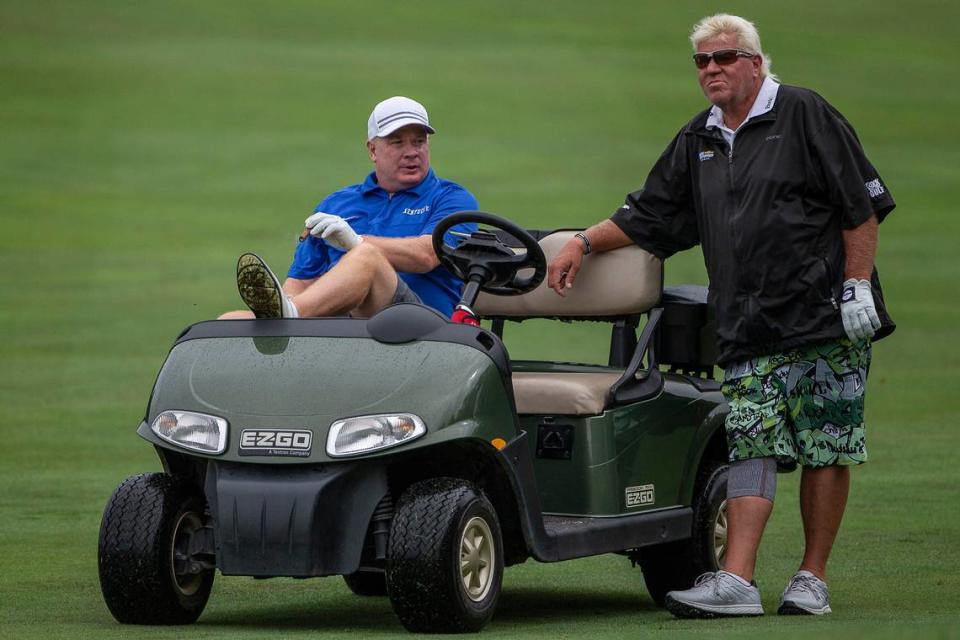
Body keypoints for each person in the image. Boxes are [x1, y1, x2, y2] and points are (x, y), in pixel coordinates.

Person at [547, 14, 895, 618]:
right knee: (750, 444)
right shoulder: (699, 138)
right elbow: (650, 213)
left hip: (824, 317)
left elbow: (860, 207)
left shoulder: (805, 113)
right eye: (703, 62)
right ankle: (737, 580)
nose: (712, 69)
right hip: (747, 323)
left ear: (755, 63)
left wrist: (857, 285)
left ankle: (812, 578)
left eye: (725, 58)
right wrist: (582, 239)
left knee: (827, 446)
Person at [221, 96, 477, 321]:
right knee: (230, 322)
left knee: (366, 257)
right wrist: (286, 303)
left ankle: (293, 317)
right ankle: (290, 319)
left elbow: (425, 256)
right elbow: (300, 282)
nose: (411, 152)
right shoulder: (336, 205)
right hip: (343, 329)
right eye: (397, 143)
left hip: (427, 331)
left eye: (419, 142)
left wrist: (355, 241)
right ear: (373, 150)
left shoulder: (452, 199)